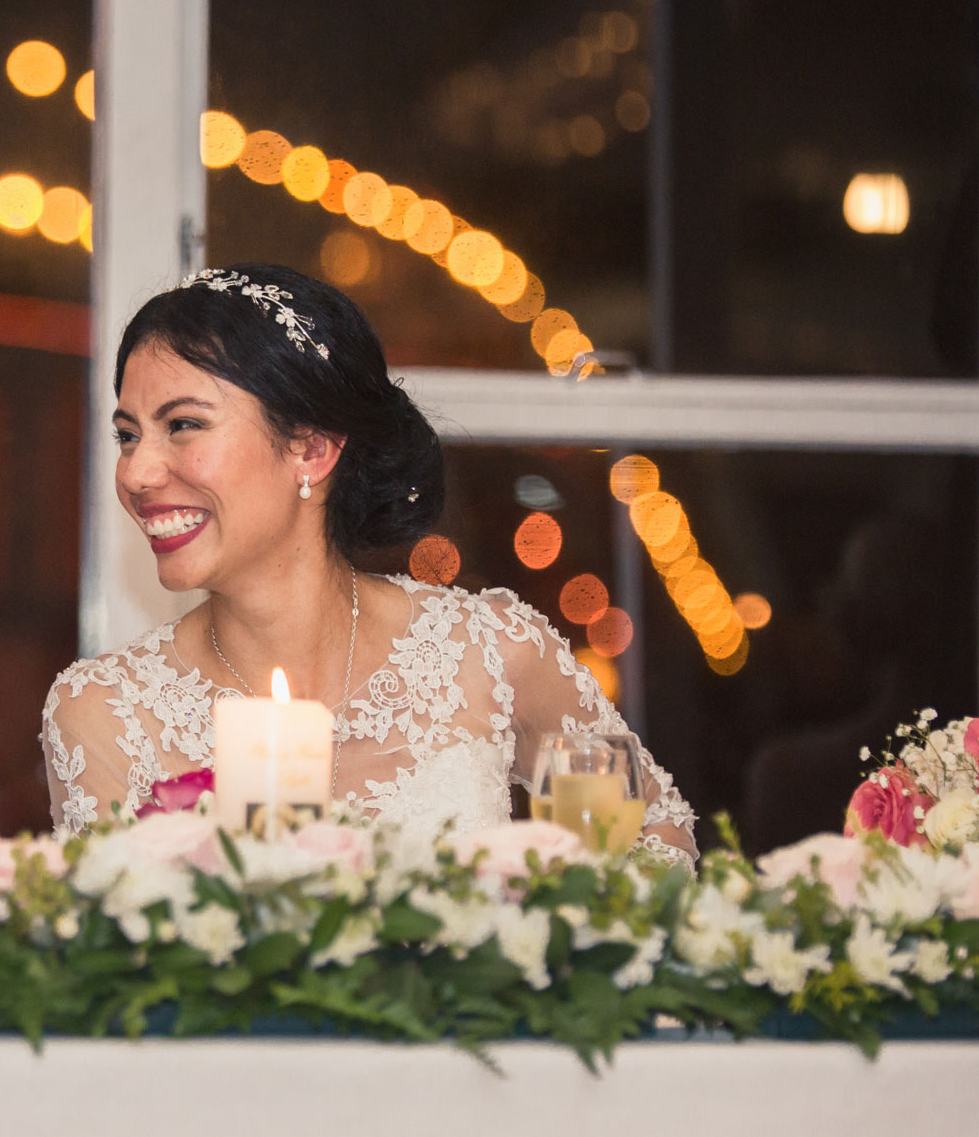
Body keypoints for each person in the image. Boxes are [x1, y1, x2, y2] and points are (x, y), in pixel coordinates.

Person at [40, 264, 696, 864]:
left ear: (312, 447)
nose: (137, 472)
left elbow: (648, 850)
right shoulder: (104, 714)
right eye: (128, 435)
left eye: (181, 424)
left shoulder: (492, 654)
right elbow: (115, 971)